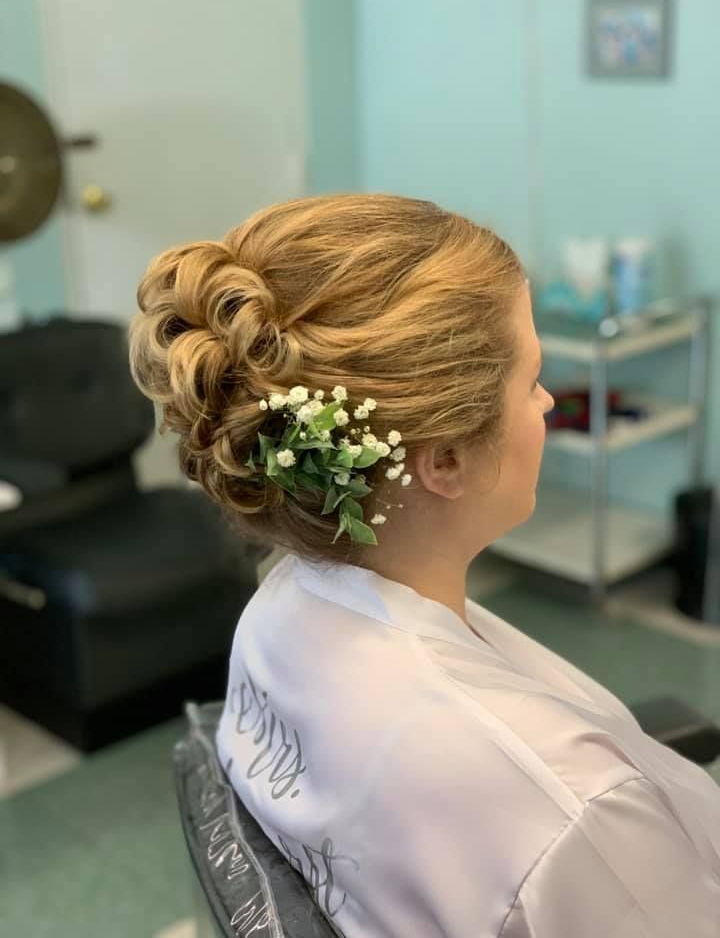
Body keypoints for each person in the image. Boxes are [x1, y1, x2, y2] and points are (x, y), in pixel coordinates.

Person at [129, 194, 720, 937]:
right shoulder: (576, 814)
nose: (545, 403)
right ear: (444, 460)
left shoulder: (277, 612)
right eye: (531, 380)